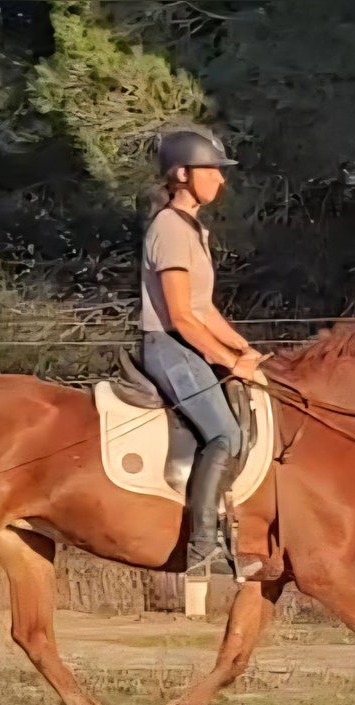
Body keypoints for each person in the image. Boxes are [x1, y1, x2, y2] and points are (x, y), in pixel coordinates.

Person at [139, 127, 263, 575]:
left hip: (185, 343)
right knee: (225, 436)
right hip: (168, 347)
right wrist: (231, 363)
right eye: (213, 170)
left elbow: (204, 308)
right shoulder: (170, 230)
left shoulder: (193, 230)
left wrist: (247, 349)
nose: (221, 180)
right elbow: (181, 317)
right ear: (183, 174)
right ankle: (202, 545)